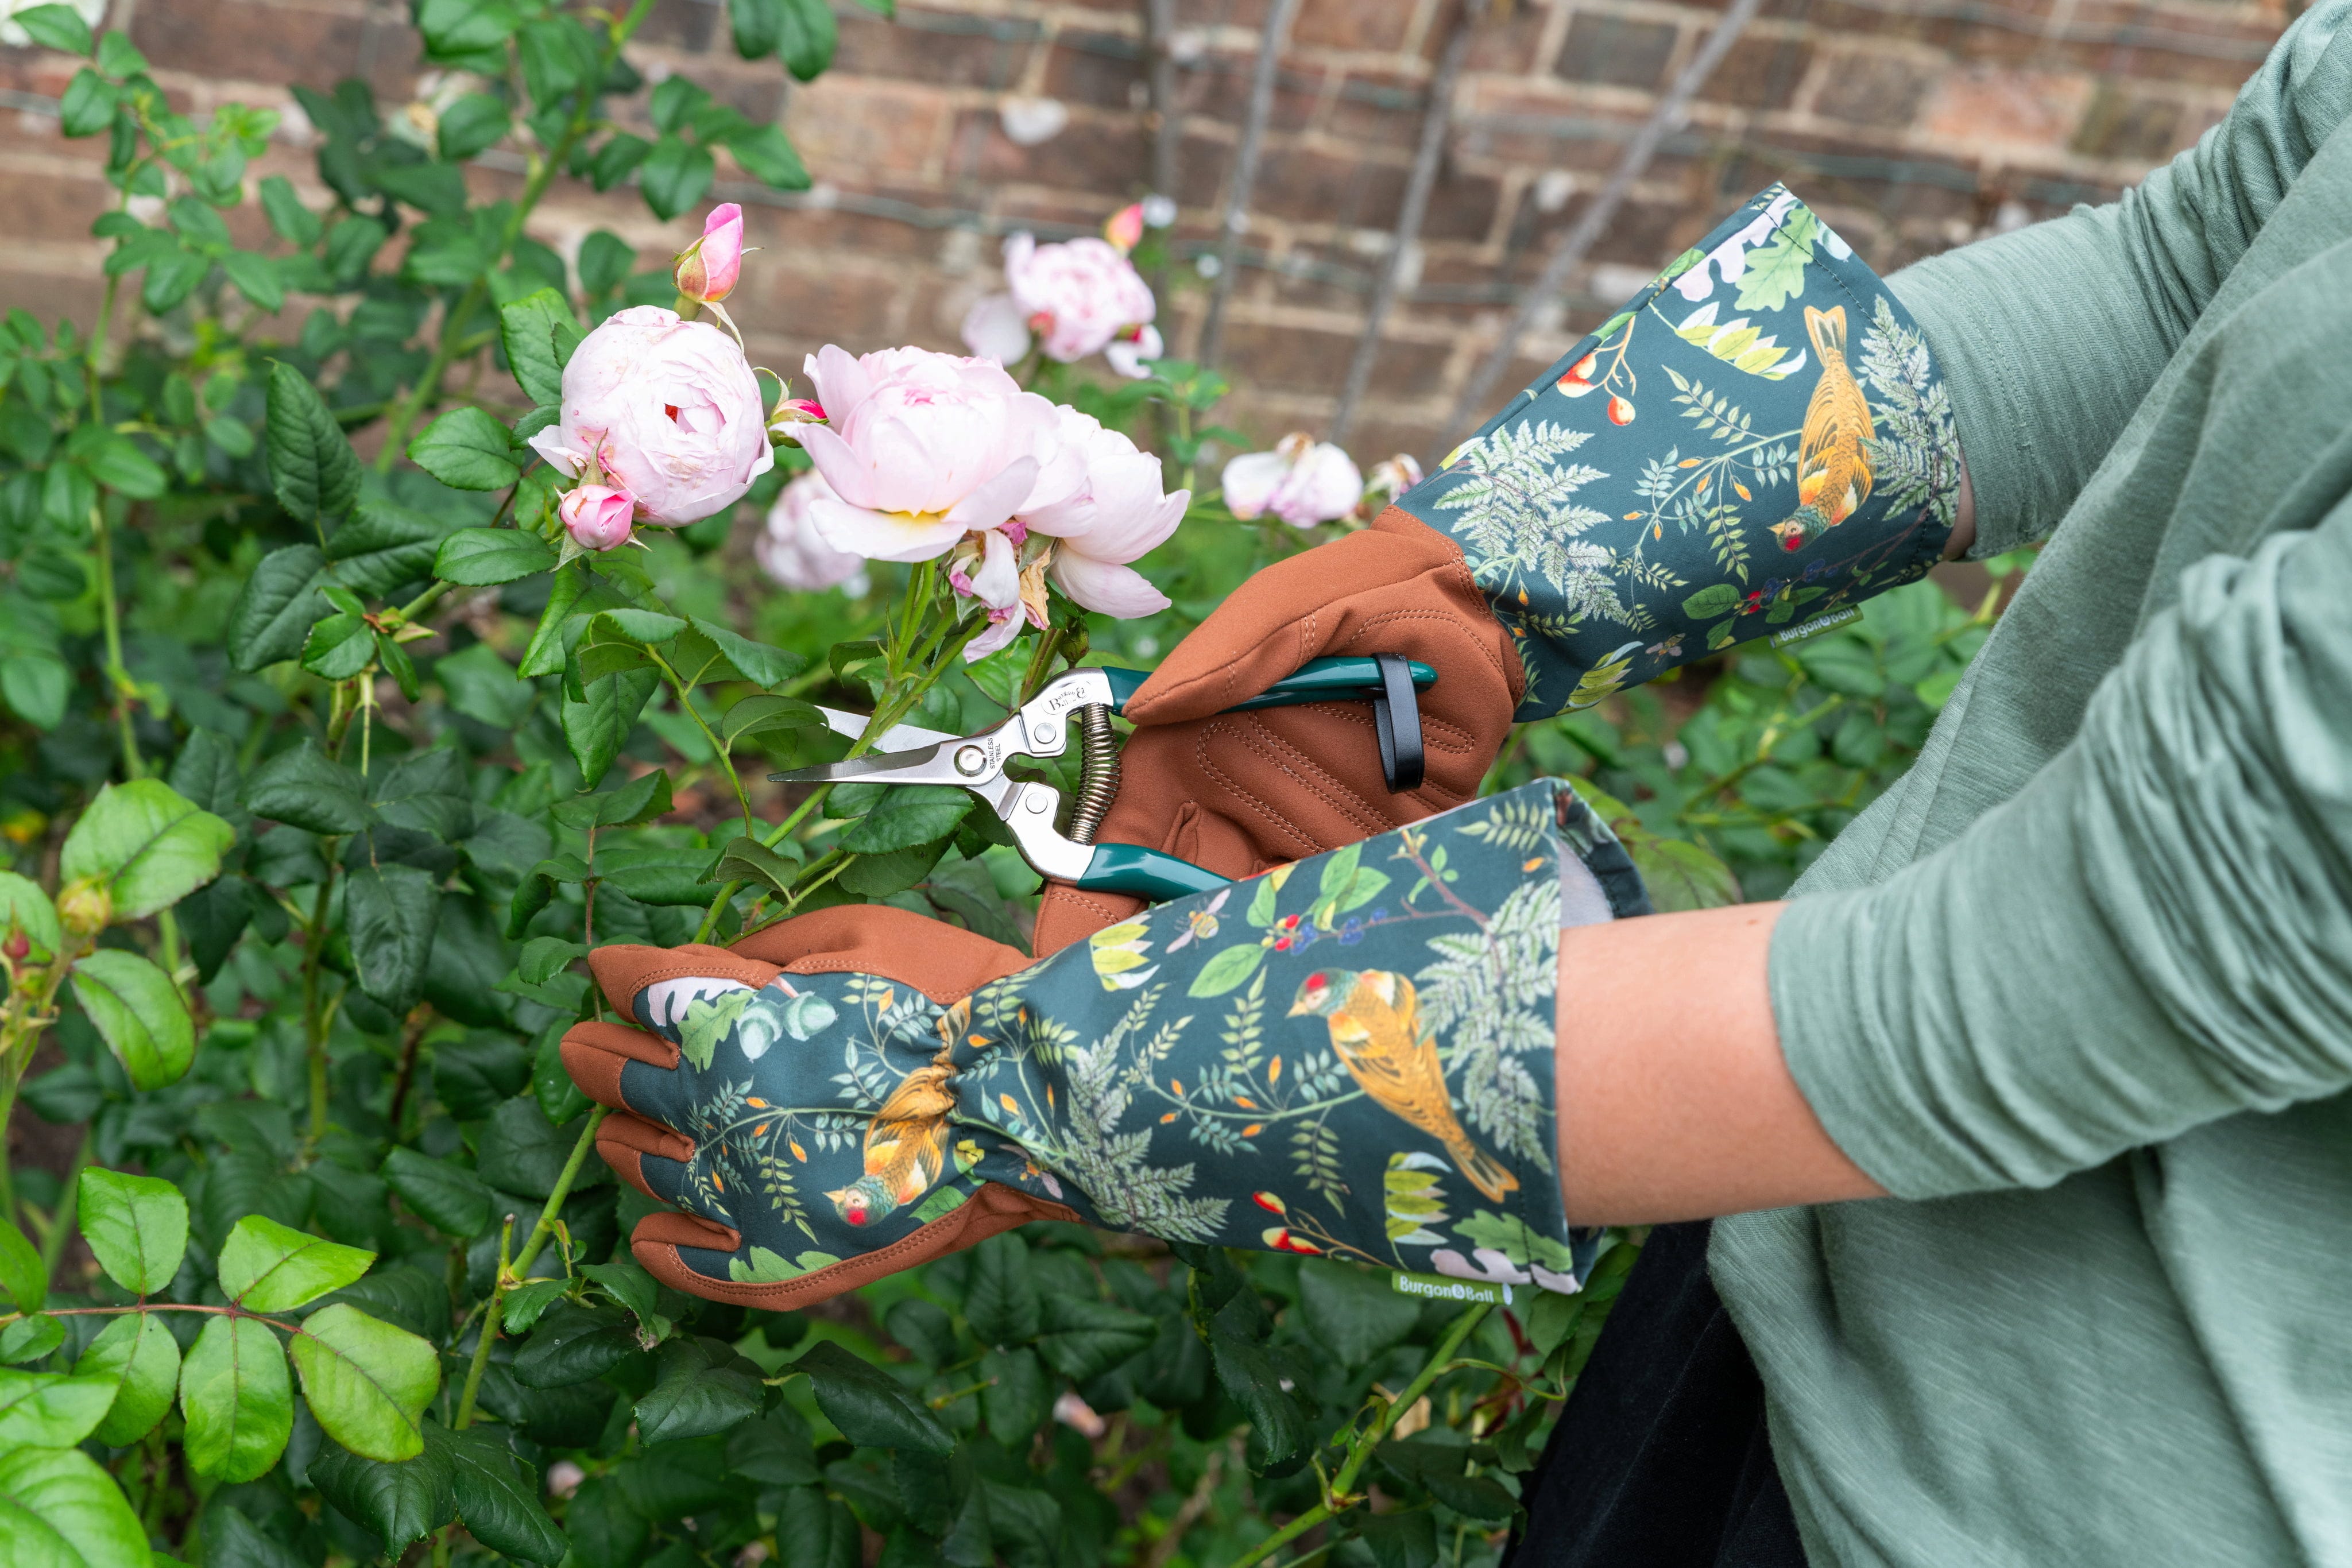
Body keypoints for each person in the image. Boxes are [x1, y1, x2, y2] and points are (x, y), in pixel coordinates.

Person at [559, 2, 2352, 1561]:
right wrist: (1491, 576)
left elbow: (2034, 981)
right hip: (1800, 1248)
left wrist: (1011, 1088)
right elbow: (2213, 254)